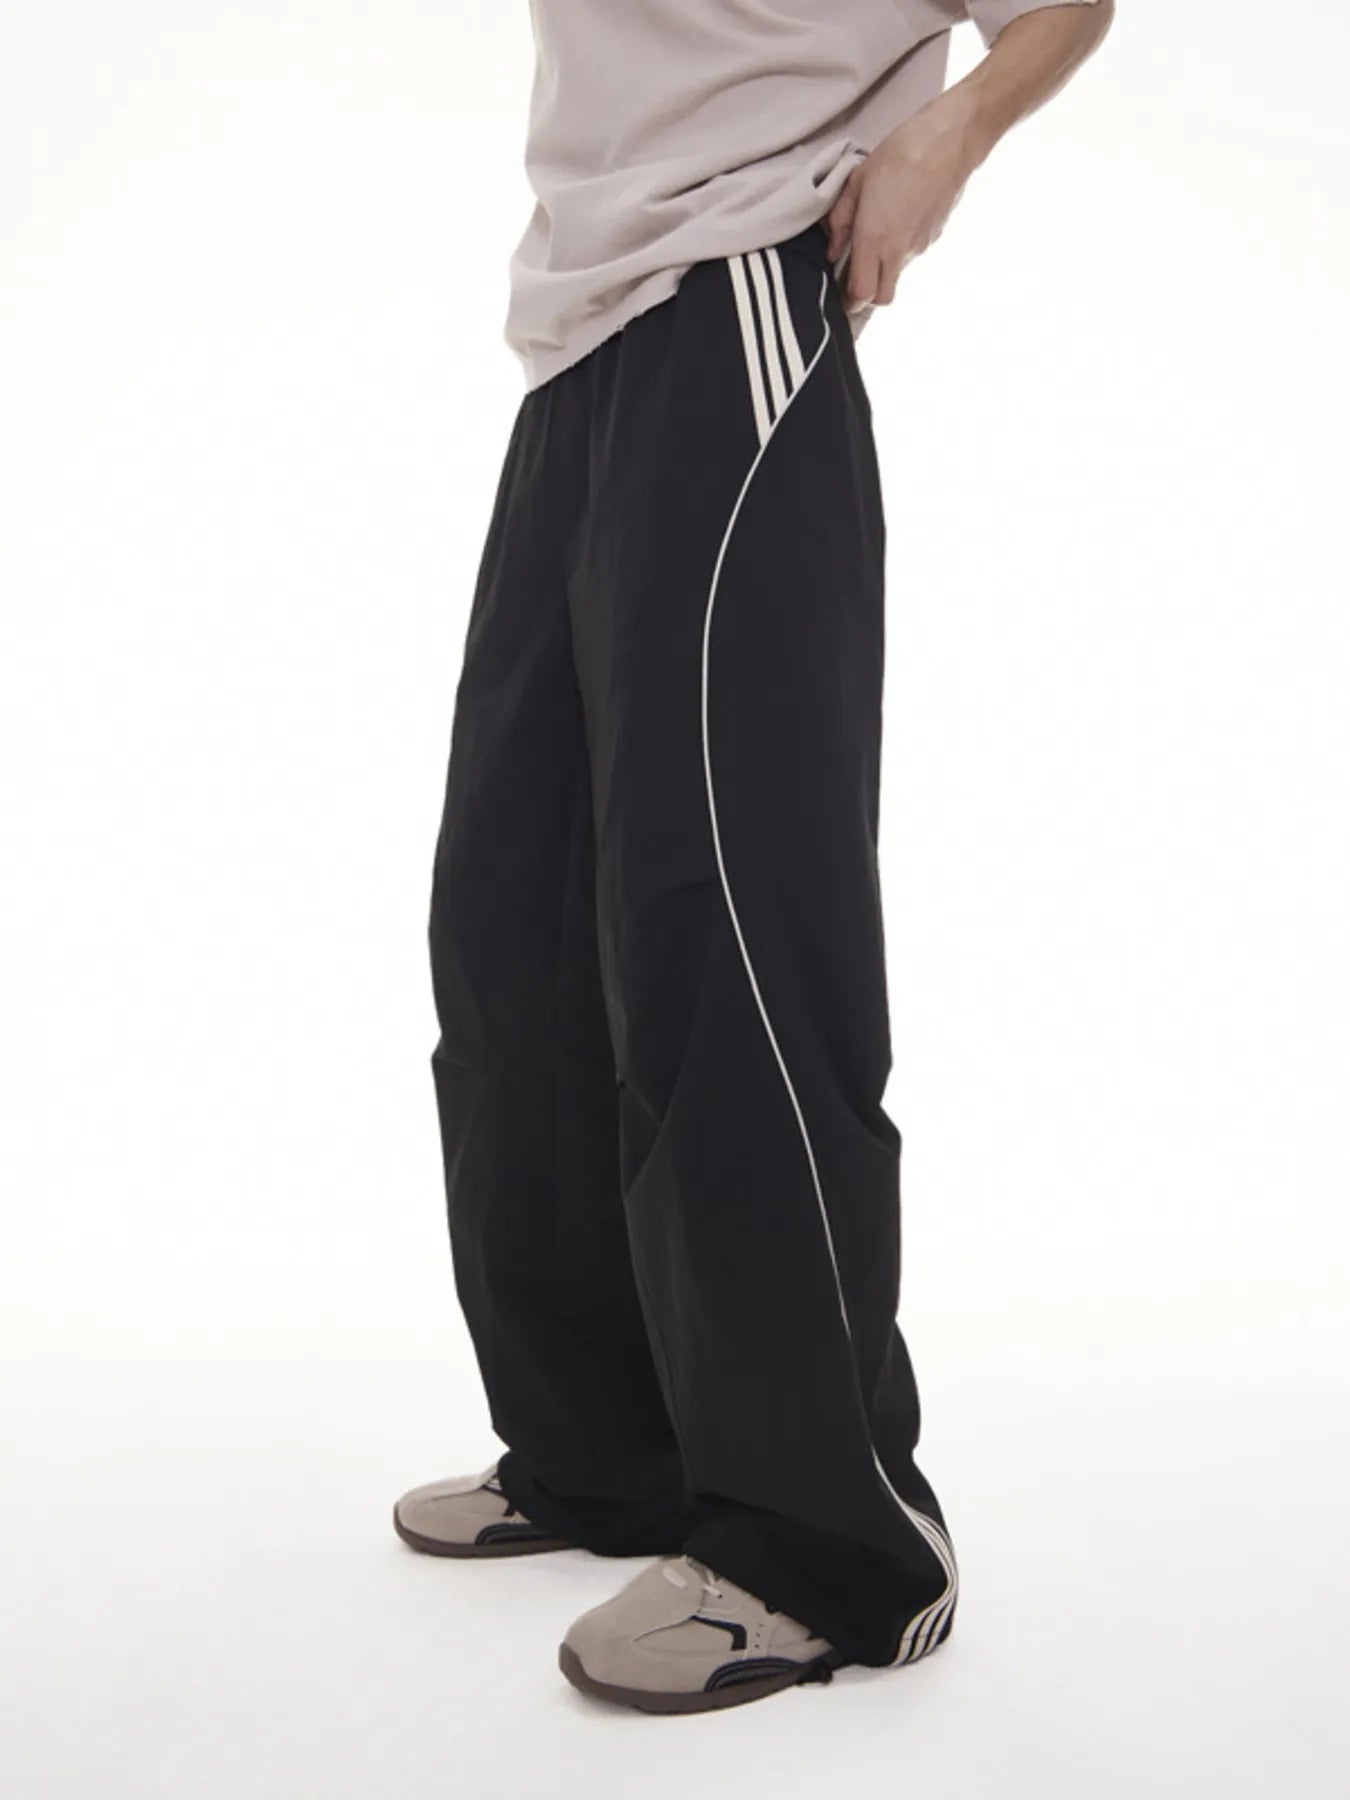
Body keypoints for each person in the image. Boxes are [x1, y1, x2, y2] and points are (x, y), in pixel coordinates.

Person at [394, 0, 1113, 1715]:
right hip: (575, 341)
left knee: (728, 934)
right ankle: (606, 1452)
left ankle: (829, 1546)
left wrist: (944, 136)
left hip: (734, 304)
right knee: (513, 938)